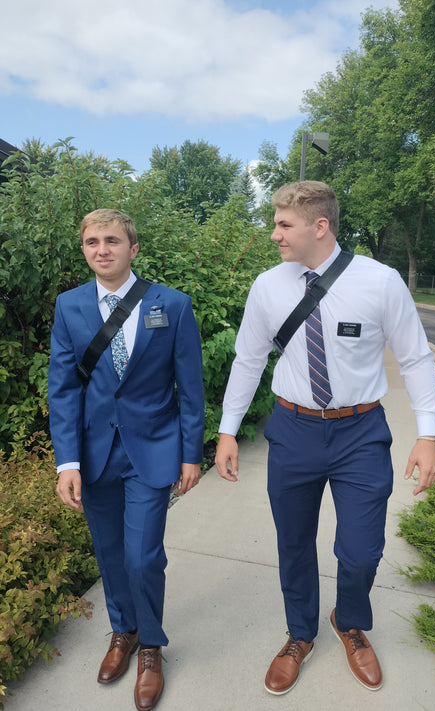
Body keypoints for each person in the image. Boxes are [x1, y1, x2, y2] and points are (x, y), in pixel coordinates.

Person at [215, 181, 435, 696]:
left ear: (320, 227)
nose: (273, 233)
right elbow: (249, 360)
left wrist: (427, 434)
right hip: (293, 429)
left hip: (361, 432)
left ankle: (350, 621)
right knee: (294, 544)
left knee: (361, 551)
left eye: (283, 224)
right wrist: (228, 430)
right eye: (274, 222)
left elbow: (416, 357)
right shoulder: (268, 286)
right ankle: (299, 634)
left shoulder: (379, 283)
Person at [48, 209, 204, 711]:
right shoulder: (69, 306)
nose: (101, 250)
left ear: (133, 248)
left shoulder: (172, 305)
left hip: (152, 451)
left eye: (112, 240)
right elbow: (63, 389)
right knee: (110, 553)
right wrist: (65, 462)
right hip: (94, 455)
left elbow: (190, 387)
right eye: (91, 241)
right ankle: (124, 631)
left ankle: (152, 646)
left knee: (143, 556)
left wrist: (190, 454)